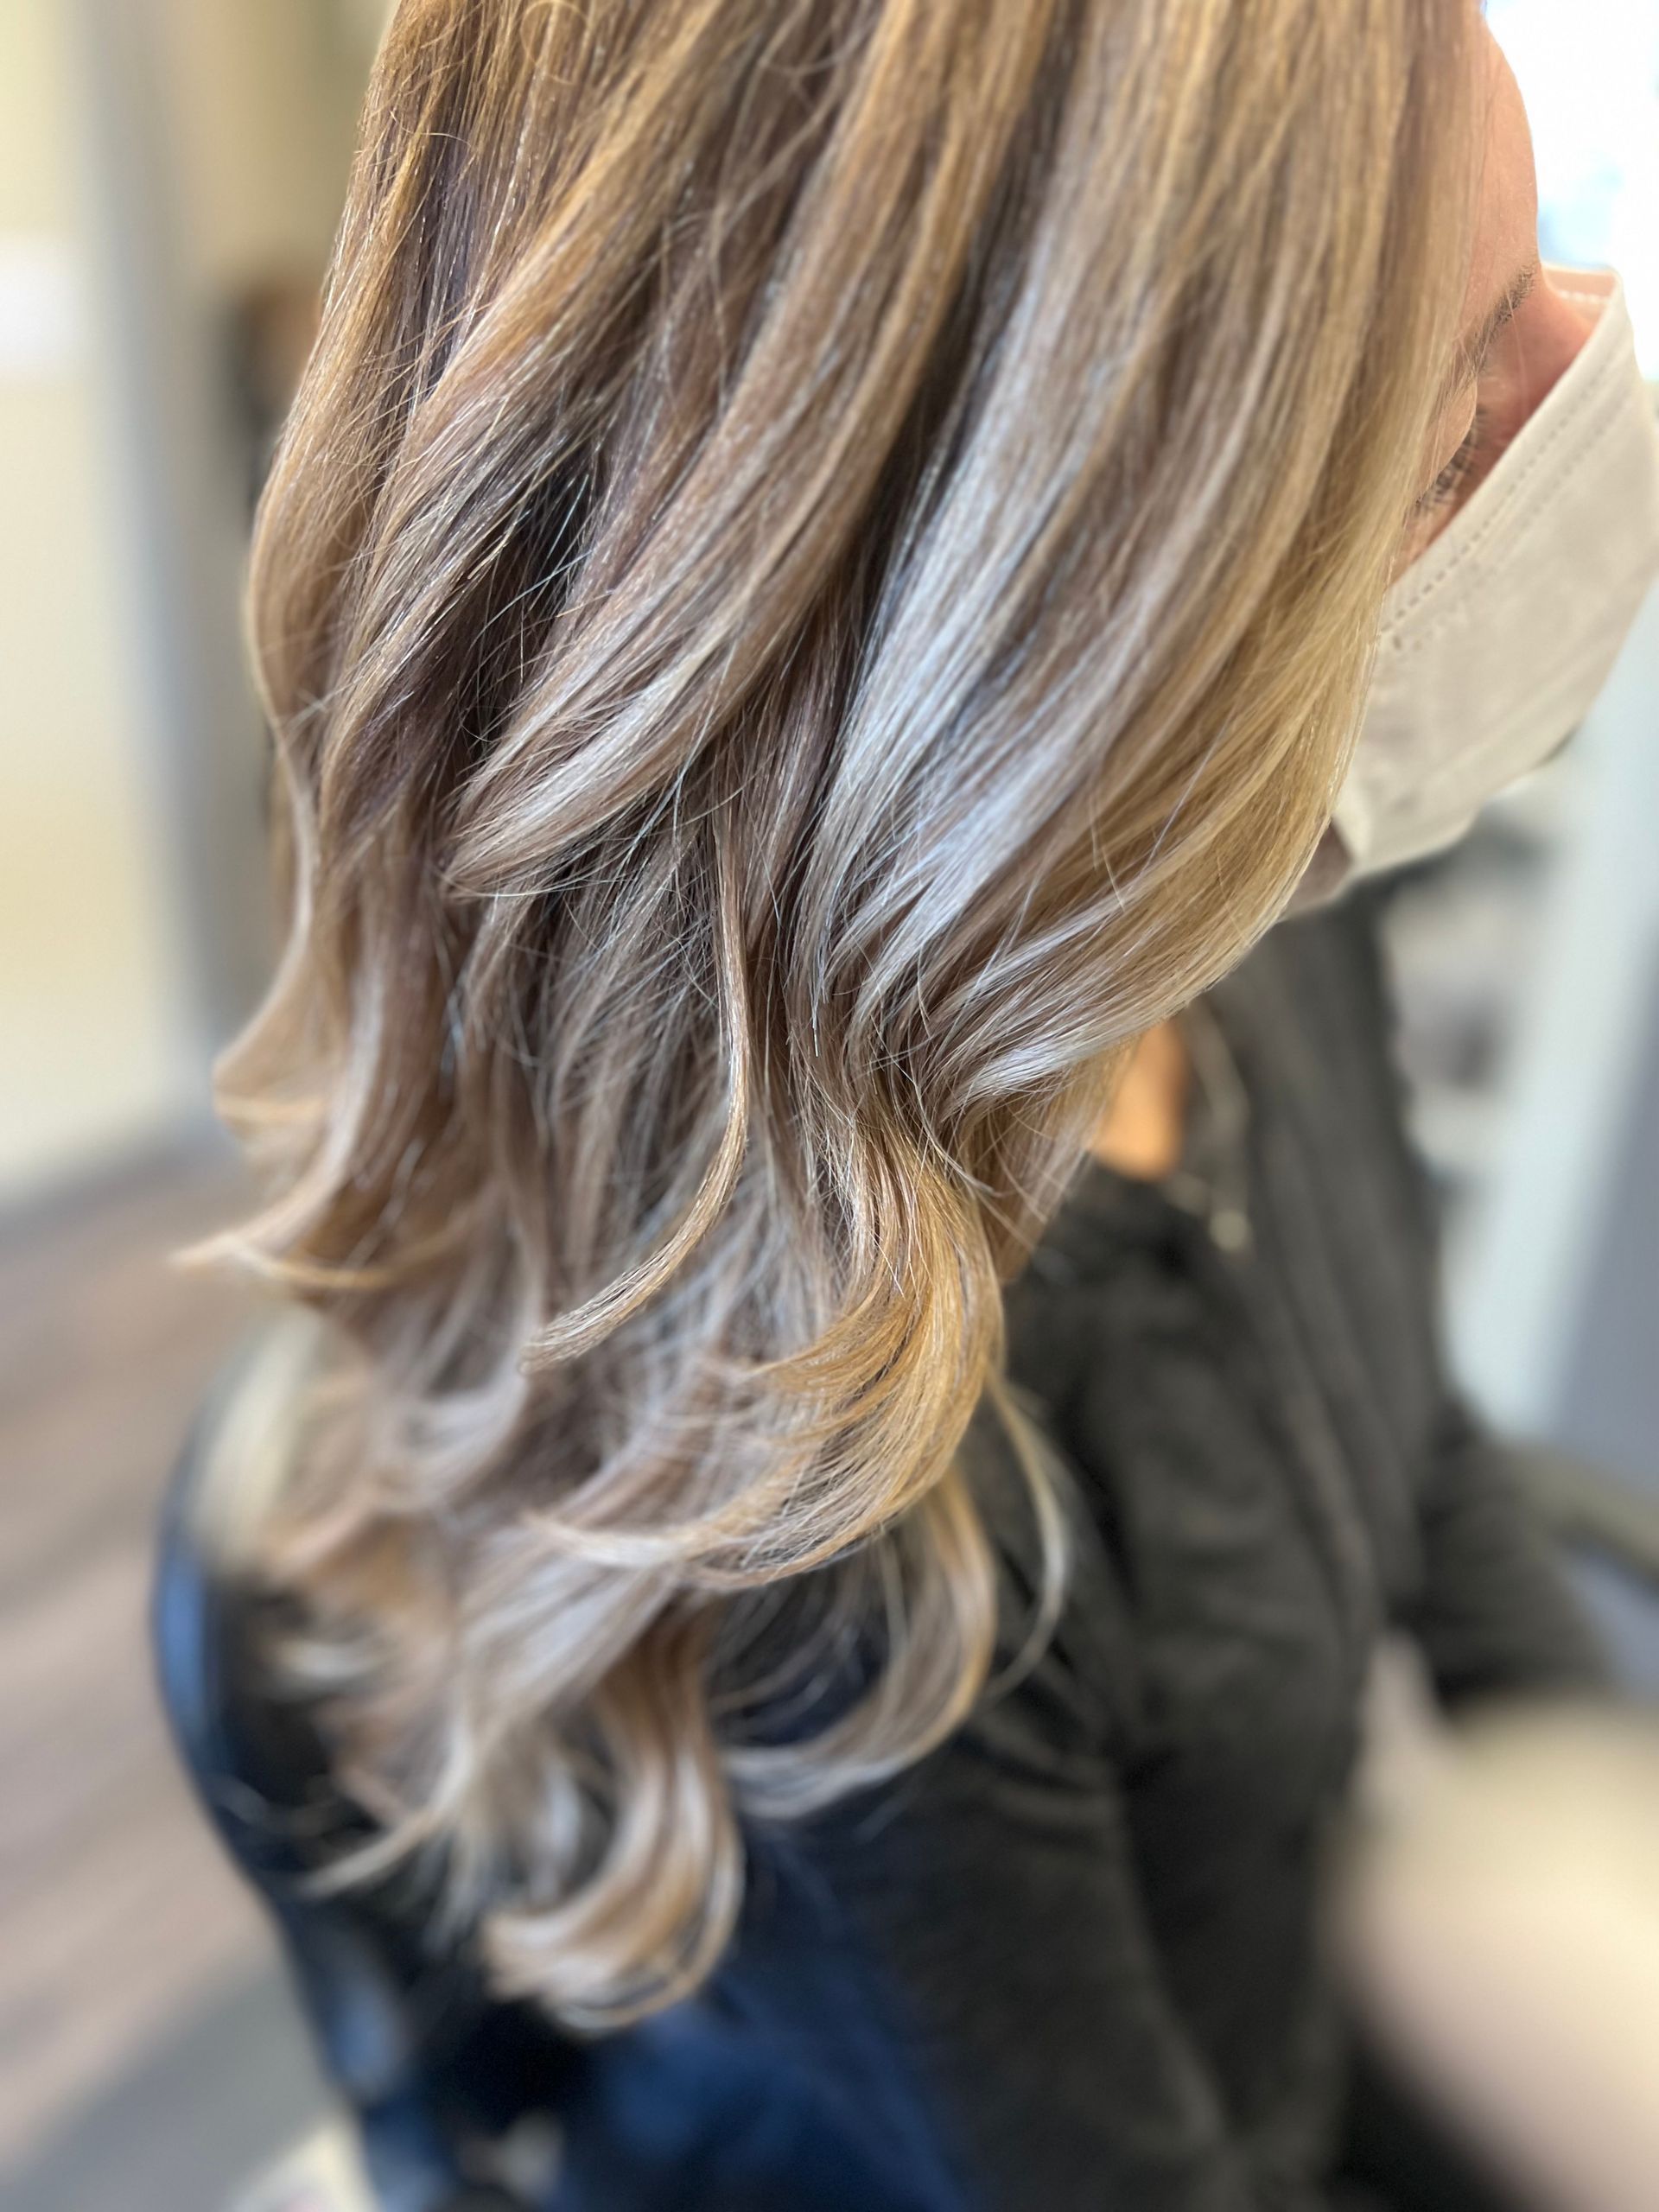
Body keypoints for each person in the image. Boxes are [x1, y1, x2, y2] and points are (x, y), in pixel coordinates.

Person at [159, 2, 1659, 2205]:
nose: (1601, 381)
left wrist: (1590, 1833)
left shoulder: (1237, 877)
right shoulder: (846, 1529)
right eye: (1453, 430)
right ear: (1076, 630)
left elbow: (1417, 1455)